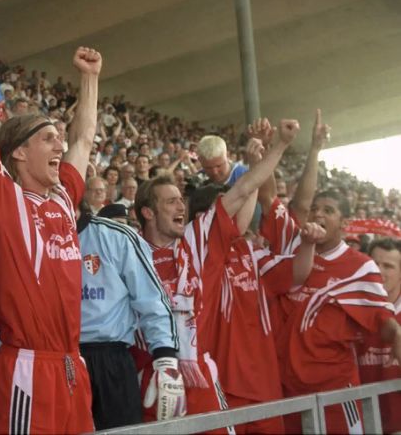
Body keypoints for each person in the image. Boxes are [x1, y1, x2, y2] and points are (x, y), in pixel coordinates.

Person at [0, 43, 101, 434]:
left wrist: (89, 79)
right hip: (26, 369)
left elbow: (85, 138)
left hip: (73, 365)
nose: (61, 146)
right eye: (49, 139)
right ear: (19, 153)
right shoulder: (1, 203)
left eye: (59, 139)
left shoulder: (62, 198)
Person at [133, 121, 299, 427]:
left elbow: (245, 189)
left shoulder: (197, 242)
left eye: (181, 200)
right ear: (148, 212)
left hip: (200, 381)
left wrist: (280, 145)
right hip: (152, 380)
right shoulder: (129, 254)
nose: (180, 206)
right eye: (171, 201)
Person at [277, 189, 401, 434]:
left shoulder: (360, 267)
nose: (318, 213)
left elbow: (382, 319)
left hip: (334, 393)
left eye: (328, 210)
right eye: (315, 209)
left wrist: (397, 334)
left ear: (344, 223)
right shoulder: (294, 256)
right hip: (287, 391)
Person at [78, 216, 182, 429]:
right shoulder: (37, 233)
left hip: (111, 359)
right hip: (60, 358)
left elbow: (151, 299)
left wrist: (166, 361)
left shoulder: (116, 235)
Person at [356, 238, 401, 434]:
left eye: (388, 266)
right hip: (365, 425)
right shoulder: (352, 310)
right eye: (373, 264)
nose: (379, 272)